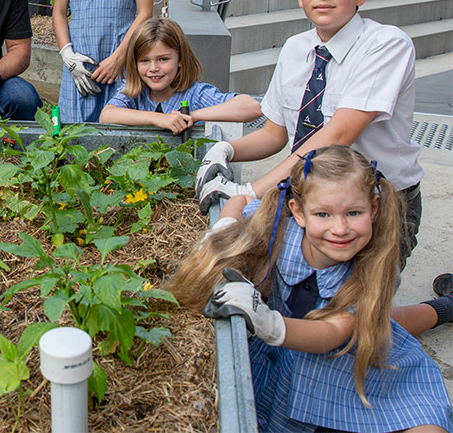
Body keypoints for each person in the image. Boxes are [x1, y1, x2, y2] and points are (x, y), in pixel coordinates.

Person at [171, 145, 452, 433]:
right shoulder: (277, 225)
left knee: (385, 333)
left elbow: (334, 332)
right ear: (299, 212)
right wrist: (223, 230)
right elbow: (240, 200)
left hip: (347, 360)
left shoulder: (376, 263)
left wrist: (268, 322)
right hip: (298, 350)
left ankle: (446, 308)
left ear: (374, 209)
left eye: (354, 212)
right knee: (385, 322)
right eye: (323, 214)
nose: (340, 228)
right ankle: (447, 307)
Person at [195, 0, 424, 265]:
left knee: (352, 311)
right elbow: (274, 134)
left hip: (378, 206)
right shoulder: (294, 49)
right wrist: (225, 150)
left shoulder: (387, 46)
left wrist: (249, 193)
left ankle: (439, 309)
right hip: (309, 199)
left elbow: (337, 137)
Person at [99, 17, 261, 134]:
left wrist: (191, 116)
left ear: (180, 59)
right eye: (144, 61)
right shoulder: (134, 91)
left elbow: (252, 107)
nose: (153, 68)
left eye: (163, 59)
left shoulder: (195, 94)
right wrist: (157, 118)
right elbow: (107, 115)